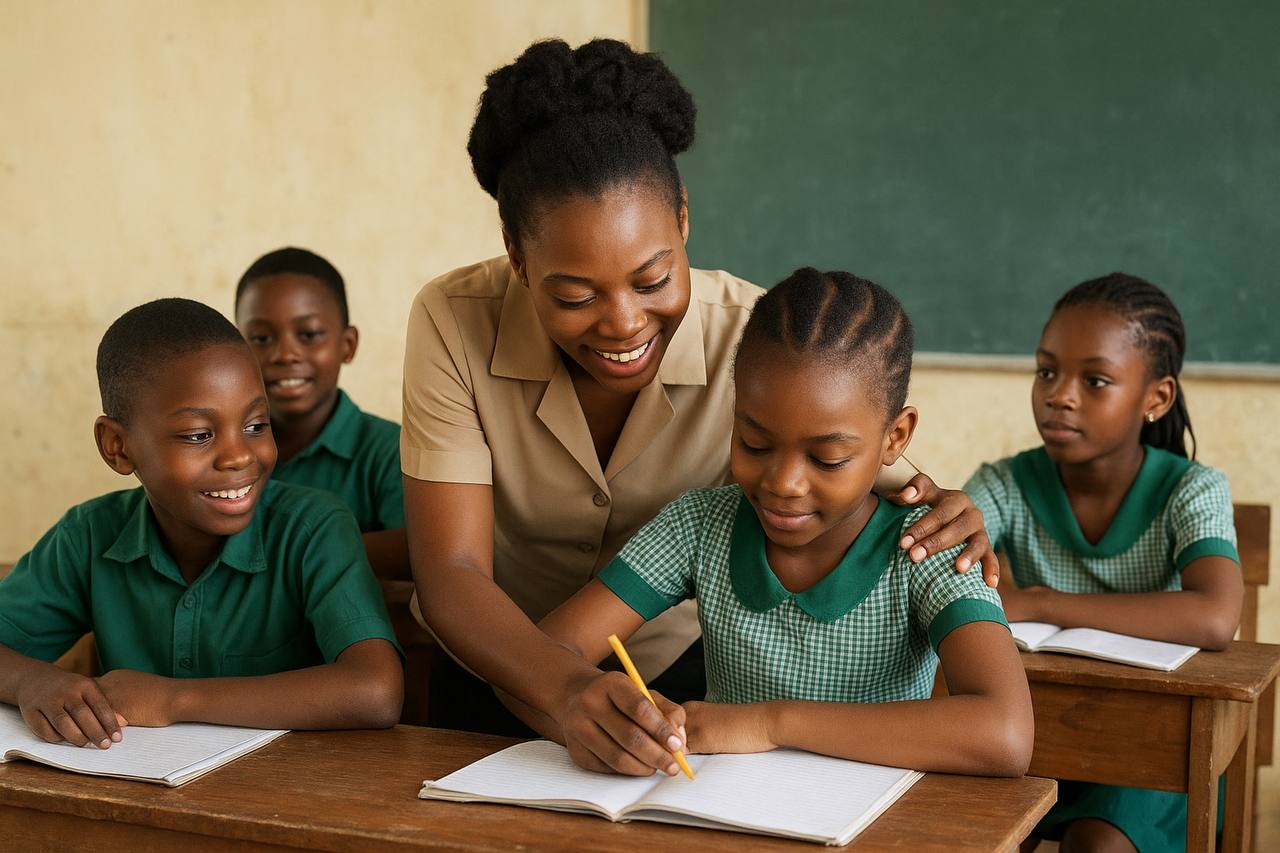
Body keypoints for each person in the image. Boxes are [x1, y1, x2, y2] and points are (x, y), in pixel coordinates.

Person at [402, 38, 1001, 743]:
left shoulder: (761, 344)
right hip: (494, 667)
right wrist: (566, 688)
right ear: (516, 255)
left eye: (653, 280)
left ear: (683, 218)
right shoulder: (453, 318)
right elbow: (453, 571)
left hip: (678, 683)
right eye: (573, 295)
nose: (623, 321)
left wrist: (953, 511)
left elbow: (876, 470)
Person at [516, 268, 1032, 777]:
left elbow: (1005, 734)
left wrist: (770, 724)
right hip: (723, 819)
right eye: (755, 443)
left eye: (827, 458)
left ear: (896, 438)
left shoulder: (932, 545)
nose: (783, 482)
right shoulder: (698, 528)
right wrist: (602, 710)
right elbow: (547, 653)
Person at [0, 298, 403, 746]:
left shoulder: (313, 529)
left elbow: (376, 691)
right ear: (118, 446)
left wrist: (173, 700)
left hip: (288, 794)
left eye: (256, 425)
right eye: (198, 435)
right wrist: (29, 681)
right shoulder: (89, 535)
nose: (239, 456)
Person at [964, 273, 1243, 852]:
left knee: (1098, 846)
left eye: (1095, 380)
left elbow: (1216, 616)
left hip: (1155, 749)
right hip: (1039, 729)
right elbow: (939, 567)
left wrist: (1040, 601)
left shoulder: (1190, 491)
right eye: (1047, 371)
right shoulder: (1007, 483)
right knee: (969, 829)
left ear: (1156, 398)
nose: (1060, 394)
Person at [235, 247, 409, 580]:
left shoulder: (390, 450)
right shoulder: (223, 450)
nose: (285, 354)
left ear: (347, 345)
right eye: (260, 338)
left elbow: (418, 553)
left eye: (309, 334)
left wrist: (286, 553)